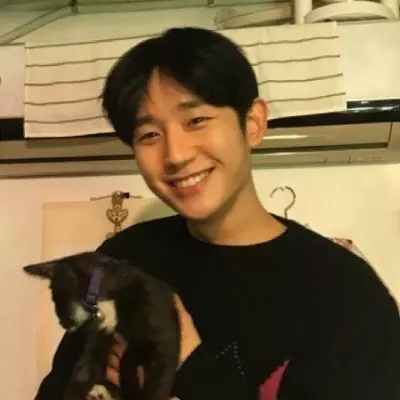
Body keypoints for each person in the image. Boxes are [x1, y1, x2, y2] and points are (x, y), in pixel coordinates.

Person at [35, 27, 400, 400]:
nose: (175, 155)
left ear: (253, 123)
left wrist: (187, 366)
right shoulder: (127, 257)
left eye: (196, 120)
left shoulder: (346, 294)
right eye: (149, 135)